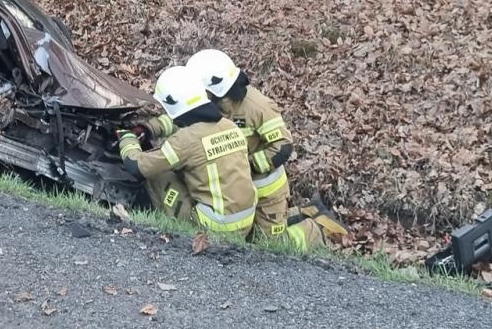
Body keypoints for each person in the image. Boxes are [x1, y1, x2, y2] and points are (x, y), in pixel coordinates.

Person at [186, 48, 347, 249]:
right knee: (251, 238)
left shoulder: (256, 106)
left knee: (271, 245)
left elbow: (282, 147)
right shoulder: (210, 106)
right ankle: (303, 212)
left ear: (211, 87)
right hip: (240, 189)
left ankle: (317, 229)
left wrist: (247, 167)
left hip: (266, 190)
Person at [116, 65, 257, 236]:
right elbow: (187, 129)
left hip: (214, 227)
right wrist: (150, 128)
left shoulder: (186, 140)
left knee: (158, 174)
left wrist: (127, 138)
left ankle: (162, 224)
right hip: (245, 222)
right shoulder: (230, 126)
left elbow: (137, 166)